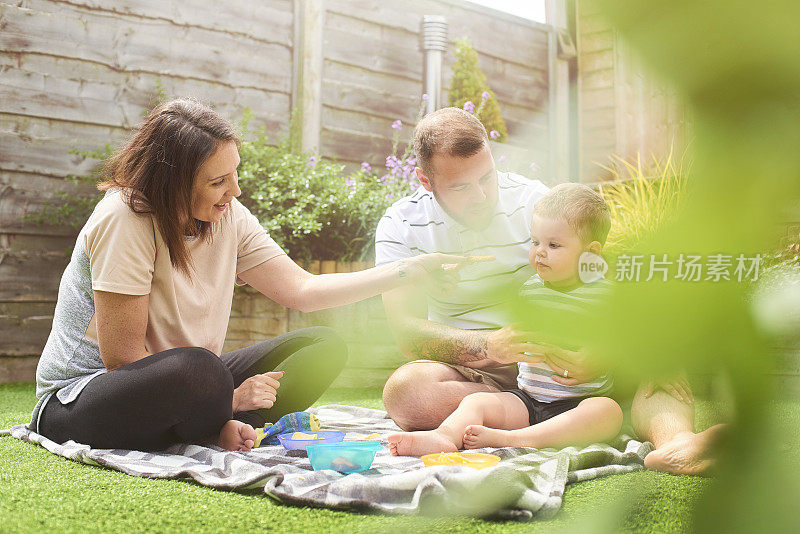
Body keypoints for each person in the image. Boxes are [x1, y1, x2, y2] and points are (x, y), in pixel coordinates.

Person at [31, 98, 476, 452]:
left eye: (235, 173)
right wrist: (229, 399)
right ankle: (220, 418)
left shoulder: (229, 216)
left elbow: (301, 290)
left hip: (189, 381)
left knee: (320, 345)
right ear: (173, 183)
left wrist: (407, 271)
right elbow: (123, 361)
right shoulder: (124, 218)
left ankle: (214, 423)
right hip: (85, 397)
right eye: (218, 180)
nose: (236, 190)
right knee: (200, 370)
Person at [377, 107, 723, 474]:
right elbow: (406, 332)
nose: (481, 195)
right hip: (483, 373)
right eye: (461, 186)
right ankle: (550, 422)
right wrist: (490, 346)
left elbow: (611, 271)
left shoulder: (536, 202)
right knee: (406, 392)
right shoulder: (401, 225)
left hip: (576, 355)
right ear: (426, 181)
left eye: (487, 177)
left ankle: (676, 445)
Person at [387, 183, 623, 455]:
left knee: (608, 413)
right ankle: (444, 435)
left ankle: (514, 439)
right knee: (476, 403)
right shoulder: (529, 289)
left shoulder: (607, 294)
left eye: (554, 245)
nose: (540, 252)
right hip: (526, 400)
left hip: (581, 402)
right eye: (535, 242)